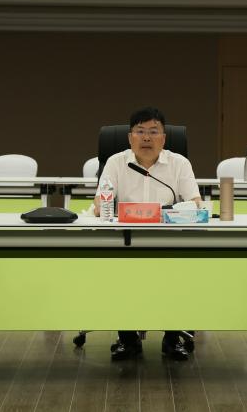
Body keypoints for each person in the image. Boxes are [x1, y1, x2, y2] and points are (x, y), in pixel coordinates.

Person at [94, 107, 201, 361]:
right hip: (125, 241)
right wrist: (105, 206)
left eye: (153, 132)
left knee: (177, 276)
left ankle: (172, 339)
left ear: (164, 138)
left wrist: (178, 212)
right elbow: (100, 202)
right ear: (130, 137)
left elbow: (195, 203)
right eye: (140, 131)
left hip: (169, 241)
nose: (146, 138)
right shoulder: (116, 162)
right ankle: (127, 339)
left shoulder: (179, 163)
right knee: (120, 277)